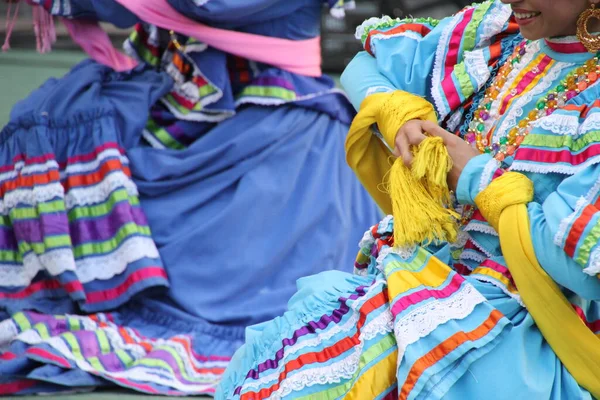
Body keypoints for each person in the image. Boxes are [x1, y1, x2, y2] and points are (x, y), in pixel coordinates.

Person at [215, 0, 600, 398]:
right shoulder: (499, 36)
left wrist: (478, 178)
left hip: (520, 323)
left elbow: (581, 272)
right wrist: (402, 113)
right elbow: (364, 66)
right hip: (415, 273)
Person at [0, 0, 381, 395]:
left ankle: (128, 294)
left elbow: (214, 5)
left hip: (274, 144)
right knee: (49, 120)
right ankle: (96, 286)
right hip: (165, 108)